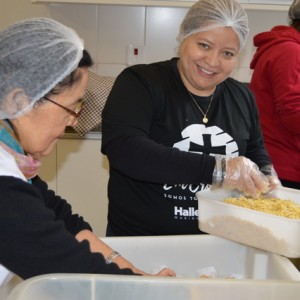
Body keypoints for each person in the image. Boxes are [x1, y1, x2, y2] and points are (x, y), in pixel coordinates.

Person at [0, 17, 176, 283]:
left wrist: (133, 272)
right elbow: (65, 265)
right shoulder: (4, 188)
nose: (74, 120)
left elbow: (64, 221)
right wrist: (153, 288)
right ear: (18, 100)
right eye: (71, 107)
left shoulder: (13, 160)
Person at [101, 0, 280, 237]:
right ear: (184, 36)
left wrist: (266, 173)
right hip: (141, 242)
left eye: (227, 53)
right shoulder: (141, 82)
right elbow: (124, 148)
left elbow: (255, 148)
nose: (213, 61)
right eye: (204, 45)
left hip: (220, 239)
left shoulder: (242, 96)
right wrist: (218, 170)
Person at [249, 0, 300, 190]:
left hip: (281, 163)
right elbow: (294, 116)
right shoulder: (291, 51)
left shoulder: (287, 48)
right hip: (285, 166)